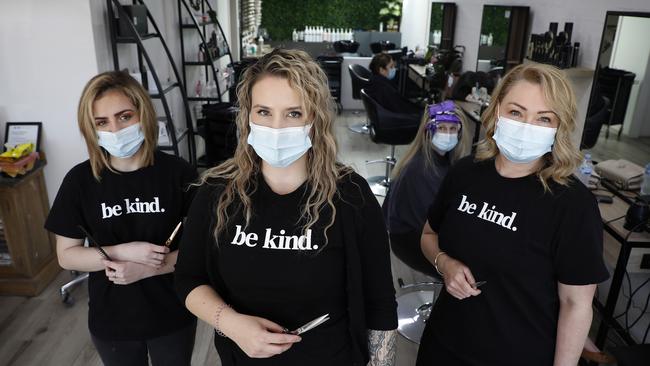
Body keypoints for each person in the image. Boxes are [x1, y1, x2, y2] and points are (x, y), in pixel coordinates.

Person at [174, 49, 397, 366]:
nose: (277, 127)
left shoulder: (351, 196)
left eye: (294, 113)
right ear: (247, 116)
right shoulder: (215, 192)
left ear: (315, 118)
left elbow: (379, 299)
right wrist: (230, 323)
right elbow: (188, 279)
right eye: (264, 112)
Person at [416, 63, 609, 366]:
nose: (526, 126)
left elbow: (575, 304)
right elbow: (429, 235)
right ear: (496, 112)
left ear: (559, 127)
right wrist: (445, 263)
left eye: (544, 118)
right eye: (516, 112)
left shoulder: (572, 204)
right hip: (443, 345)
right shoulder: (465, 173)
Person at [45, 71, 198, 366]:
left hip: (173, 313)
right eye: (102, 122)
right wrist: (121, 252)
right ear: (91, 128)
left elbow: (201, 251)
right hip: (112, 320)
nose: (115, 129)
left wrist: (150, 268)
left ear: (143, 114)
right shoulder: (80, 181)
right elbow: (67, 256)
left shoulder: (179, 173)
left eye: (125, 116)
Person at [383, 100, 472, 274]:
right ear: (428, 131)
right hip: (412, 241)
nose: (448, 134)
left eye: (453, 129)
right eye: (441, 128)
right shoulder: (420, 169)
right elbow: (435, 223)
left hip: (419, 232)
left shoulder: (442, 161)